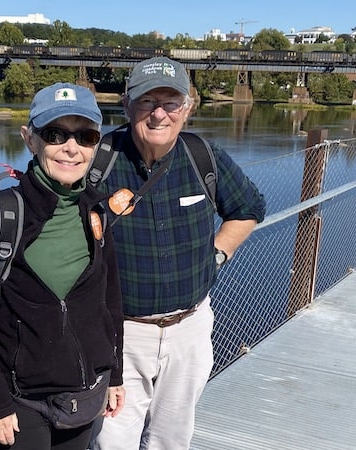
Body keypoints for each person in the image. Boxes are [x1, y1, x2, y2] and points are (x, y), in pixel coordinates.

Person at [90, 57, 266, 449]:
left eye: (171, 102)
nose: (159, 114)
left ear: (187, 108)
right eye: (146, 101)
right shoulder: (97, 162)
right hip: (119, 335)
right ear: (126, 104)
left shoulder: (202, 157)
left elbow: (249, 208)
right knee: (111, 442)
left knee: (172, 439)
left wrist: (216, 255)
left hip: (189, 328)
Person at [0, 82, 125, 450]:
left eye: (86, 135)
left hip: (85, 393)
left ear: (97, 144)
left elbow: (109, 303)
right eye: (55, 133)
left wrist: (114, 375)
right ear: (30, 139)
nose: (71, 147)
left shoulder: (97, 211)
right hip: (21, 401)